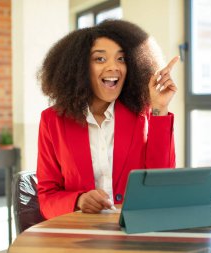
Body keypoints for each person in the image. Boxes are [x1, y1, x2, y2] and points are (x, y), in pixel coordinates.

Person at [36, 19, 178, 219]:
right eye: (100, 59)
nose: (114, 67)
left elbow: (161, 183)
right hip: (79, 235)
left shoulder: (144, 114)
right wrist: (79, 200)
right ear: (79, 68)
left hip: (135, 230)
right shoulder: (53, 121)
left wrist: (160, 108)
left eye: (121, 59)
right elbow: (47, 198)